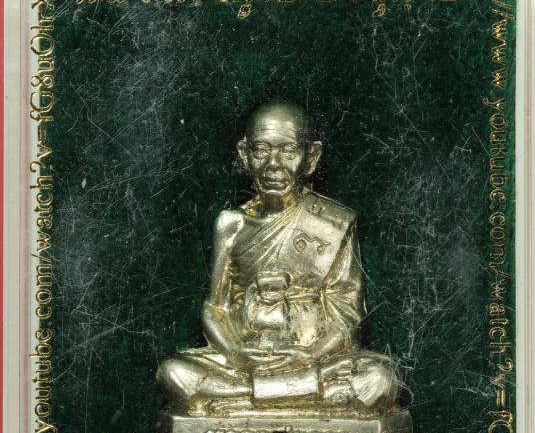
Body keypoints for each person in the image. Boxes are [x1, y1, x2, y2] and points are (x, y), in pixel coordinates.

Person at [157, 100, 401, 415]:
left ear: (310, 157)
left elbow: (346, 315)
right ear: (244, 155)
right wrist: (236, 352)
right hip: (247, 359)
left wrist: (310, 354)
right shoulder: (231, 224)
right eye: (261, 151)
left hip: (313, 358)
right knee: (172, 373)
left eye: (288, 151)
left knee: (380, 381)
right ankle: (297, 394)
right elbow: (215, 308)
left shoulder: (334, 223)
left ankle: (243, 399)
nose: (274, 164)